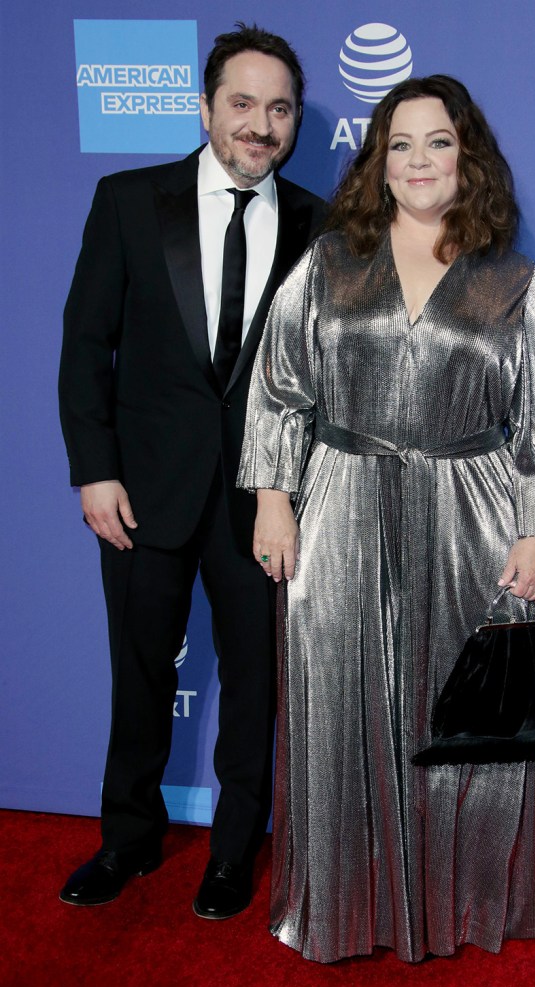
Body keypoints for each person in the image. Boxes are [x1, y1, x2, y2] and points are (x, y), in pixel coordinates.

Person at [238, 75, 535, 962]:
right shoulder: (331, 261)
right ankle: (348, 906)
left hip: (471, 509)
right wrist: (274, 497)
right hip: (340, 503)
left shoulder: (511, 279)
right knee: (334, 701)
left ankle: (456, 905)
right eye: (401, 144)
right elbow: (278, 385)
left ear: (469, 160)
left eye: (438, 142)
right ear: (378, 163)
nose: (419, 160)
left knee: (453, 709)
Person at [58, 24, 326, 918]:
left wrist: (290, 492)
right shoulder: (131, 200)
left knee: (255, 685)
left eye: (279, 108)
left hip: (264, 503)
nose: (261, 124)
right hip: (142, 491)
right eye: (243, 103)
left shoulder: (318, 225)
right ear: (206, 107)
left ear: (293, 122)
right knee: (137, 674)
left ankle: (233, 854)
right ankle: (126, 840)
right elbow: (85, 343)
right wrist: (94, 471)